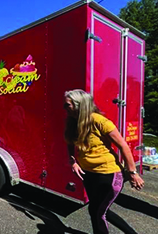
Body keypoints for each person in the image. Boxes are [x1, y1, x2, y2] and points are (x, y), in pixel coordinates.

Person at [64, 89, 144, 234]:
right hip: (88, 174)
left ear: (79, 105)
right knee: (99, 209)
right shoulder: (72, 122)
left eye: (67, 105)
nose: (64, 108)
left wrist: (133, 173)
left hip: (108, 174)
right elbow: (70, 142)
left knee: (96, 211)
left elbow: (123, 146)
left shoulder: (99, 121)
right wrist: (73, 161)